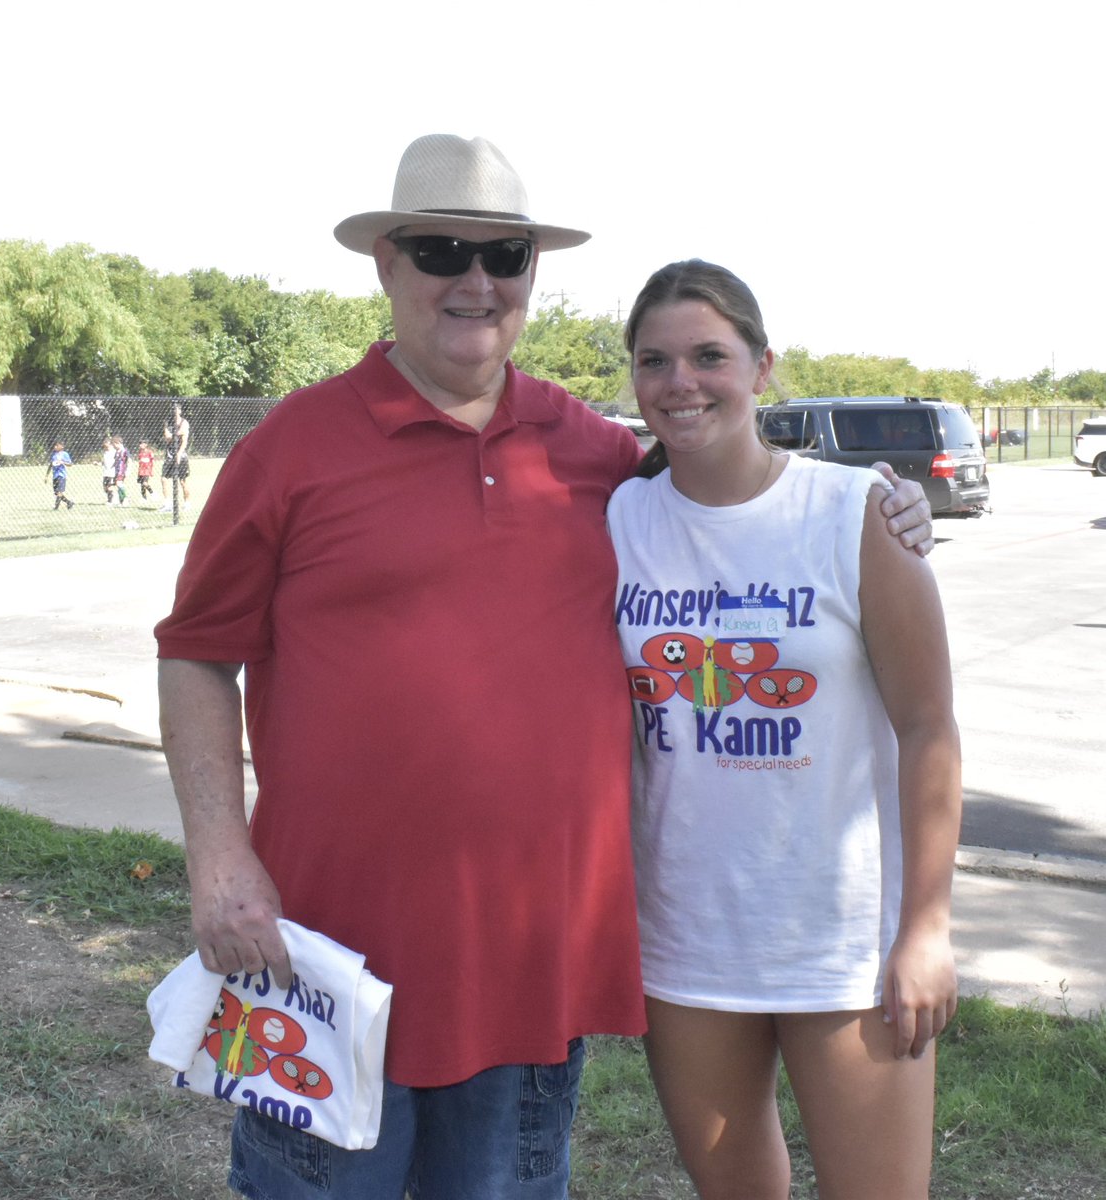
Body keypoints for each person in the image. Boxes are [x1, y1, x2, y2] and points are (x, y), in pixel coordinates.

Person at [154, 136, 934, 1200]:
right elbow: (198, 652)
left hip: (530, 970)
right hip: (324, 961)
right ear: (388, 264)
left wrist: (887, 501)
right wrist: (217, 856)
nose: (476, 281)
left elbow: (729, 486)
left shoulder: (597, 456)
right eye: (441, 250)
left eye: (507, 256)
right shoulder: (289, 449)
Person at [607, 260, 961, 1200]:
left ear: (762, 368)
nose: (680, 382)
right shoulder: (617, 518)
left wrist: (924, 928)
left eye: (708, 356)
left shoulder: (854, 515)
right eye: (654, 361)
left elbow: (928, 728)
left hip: (845, 945)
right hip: (685, 938)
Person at [160, 404, 190, 509]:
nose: (174, 411)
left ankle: (187, 503)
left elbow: (184, 439)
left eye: (177, 409)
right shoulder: (168, 422)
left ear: (180, 411)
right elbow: (167, 437)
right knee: (164, 478)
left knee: (182, 481)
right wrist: (177, 434)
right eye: (173, 409)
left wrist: (179, 453)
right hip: (170, 454)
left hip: (181, 455)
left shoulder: (184, 422)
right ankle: (167, 504)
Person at [45, 441, 75, 510]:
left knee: (59, 492)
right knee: (56, 493)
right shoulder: (54, 455)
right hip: (55, 476)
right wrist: (46, 475)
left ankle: (56, 507)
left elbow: (70, 464)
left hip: (61, 475)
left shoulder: (65, 454)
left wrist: (63, 462)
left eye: (56, 445)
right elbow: (51, 465)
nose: (55, 447)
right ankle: (69, 503)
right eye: (54, 445)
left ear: (61, 447)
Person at [112, 435, 130, 506]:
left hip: (122, 471)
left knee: (119, 483)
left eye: (114, 445)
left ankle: (126, 498)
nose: (114, 447)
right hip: (116, 471)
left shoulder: (124, 451)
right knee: (118, 484)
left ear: (118, 443)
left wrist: (128, 470)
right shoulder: (117, 451)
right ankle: (121, 501)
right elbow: (115, 461)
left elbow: (129, 460)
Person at [100, 437, 117, 504]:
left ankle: (110, 501)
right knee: (105, 488)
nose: (105, 447)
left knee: (109, 486)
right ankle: (113, 496)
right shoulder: (105, 452)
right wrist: (98, 463)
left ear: (109, 444)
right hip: (105, 472)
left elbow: (117, 461)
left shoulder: (114, 452)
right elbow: (103, 462)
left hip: (112, 472)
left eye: (106, 445)